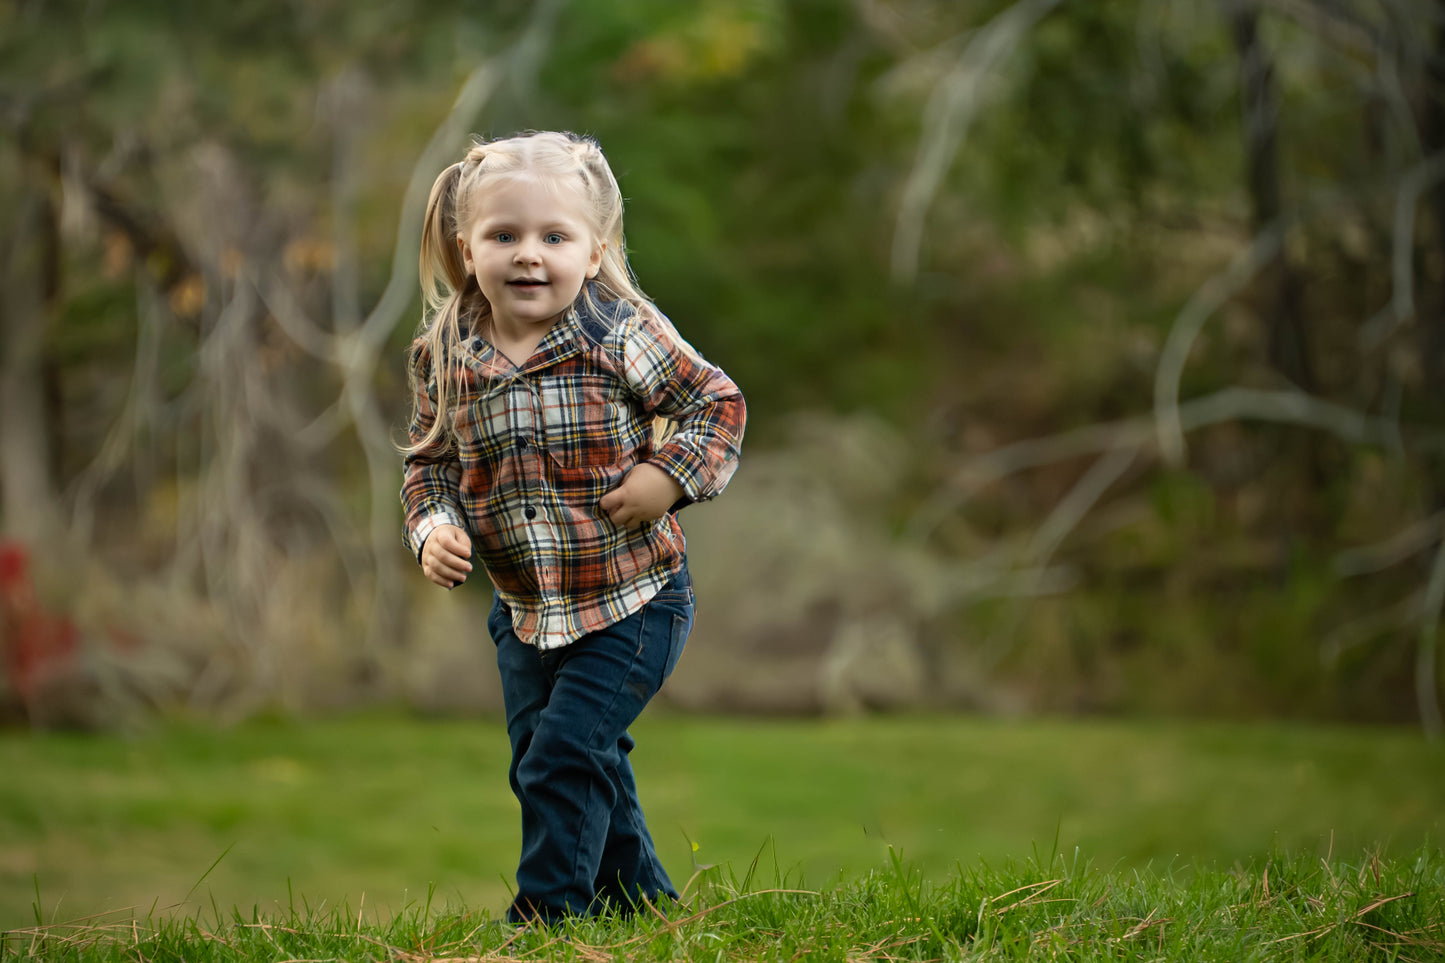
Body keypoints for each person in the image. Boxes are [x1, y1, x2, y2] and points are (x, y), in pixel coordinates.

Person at [398, 131, 746, 924]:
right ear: (467, 246)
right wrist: (433, 530)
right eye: (504, 235)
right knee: (551, 758)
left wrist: (667, 476)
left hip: (635, 598)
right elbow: (430, 466)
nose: (529, 255)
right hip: (526, 614)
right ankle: (645, 907)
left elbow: (717, 406)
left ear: (593, 251)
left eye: (554, 236)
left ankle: (547, 919)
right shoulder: (444, 354)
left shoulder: (618, 333)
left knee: (564, 754)